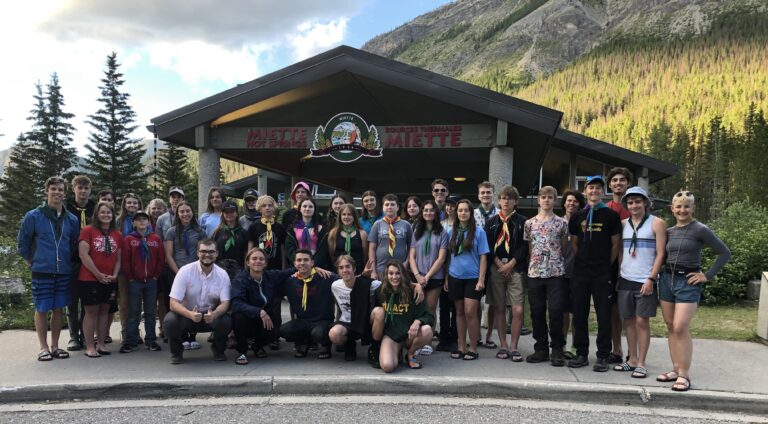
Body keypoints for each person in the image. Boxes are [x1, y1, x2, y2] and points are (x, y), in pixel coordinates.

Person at [656, 191, 730, 391]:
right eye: (678, 206)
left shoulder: (700, 229)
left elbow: (724, 252)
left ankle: (684, 374)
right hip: (667, 280)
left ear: (693, 208)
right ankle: (675, 369)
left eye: (687, 206)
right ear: (672, 209)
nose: (682, 210)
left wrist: (707, 275)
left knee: (680, 327)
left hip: (687, 282)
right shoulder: (669, 231)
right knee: (670, 326)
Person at [18, 176, 80, 361]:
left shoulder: (71, 219)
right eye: (53, 189)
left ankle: (55, 346)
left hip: (64, 270)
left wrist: (68, 261)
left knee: (59, 308)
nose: (57, 192)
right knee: (42, 308)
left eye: (60, 189)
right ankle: (43, 347)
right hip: (42, 270)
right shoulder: (33, 216)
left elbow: (74, 243)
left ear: (65, 193)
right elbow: (22, 243)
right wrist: (31, 261)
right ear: (46, 191)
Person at [567, 175, 621, 371]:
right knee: (579, 314)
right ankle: (581, 353)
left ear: (602, 191)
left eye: (598, 188)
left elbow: (615, 245)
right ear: (585, 191)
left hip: (602, 273)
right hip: (581, 272)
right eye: (591, 188)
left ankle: (603, 355)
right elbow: (574, 243)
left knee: (603, 315)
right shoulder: (577, 216)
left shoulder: (611, 215)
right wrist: (583, 260)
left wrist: (606, 265)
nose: (594, 191)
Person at [614, 186, 666, 378]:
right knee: (628, 321)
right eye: (630, 202)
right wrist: (620, 273)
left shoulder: (657, 223)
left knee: (641, 321)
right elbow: (620, 251)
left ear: (645, 202)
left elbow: (661, 253)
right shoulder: (623, 224)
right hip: (626, 278)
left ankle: (642, 363)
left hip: (645, 279)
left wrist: (651, 278)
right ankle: (632, 359)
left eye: (637, 201)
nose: (634, 205)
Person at [164, 239, 232, 364]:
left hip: (210, 315)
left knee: (226, 321)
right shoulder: (185, 271)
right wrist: (189, 314)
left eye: (211, 252)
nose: (207, 255)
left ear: (217, 253)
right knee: (170, 321)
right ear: (197, 253)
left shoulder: (222, 274)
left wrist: (215, 314)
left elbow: (225, 303)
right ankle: (176, 352)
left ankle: (218, 350)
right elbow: (173, 303)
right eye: (203, 251)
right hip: (187, 314)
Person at [524, 186, 569, 366]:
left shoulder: (562, 223)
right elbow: (530, 247)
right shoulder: (529, 223)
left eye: (550, 197)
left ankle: (557, 349)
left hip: (555, 272)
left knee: (556, 311)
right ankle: (541, 348)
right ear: (538, 200)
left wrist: (553, 260)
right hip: (535, 272)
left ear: (555, 201)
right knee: (537, 312)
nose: (546, 200)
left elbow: (563, 247)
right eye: (543, 197)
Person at [484, 186, 527, 361]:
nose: (506, 201)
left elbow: (525, 246)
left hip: (515, 267)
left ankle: (514, 346)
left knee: (517, 309)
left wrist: (510, 264)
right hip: (496, 267)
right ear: (499, 200)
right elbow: (487, 246)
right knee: (499, 307)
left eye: (510, 198)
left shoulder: (523, 222)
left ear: (515, 201)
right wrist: (499, 264)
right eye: (503, 198)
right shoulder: (492, 222)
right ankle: (503, 345)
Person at [230, 248, 294, 365]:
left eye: (261, 259)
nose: (258, 261)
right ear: (248, 262)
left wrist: (314, 269)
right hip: (247, 317)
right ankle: (242, 351)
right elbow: (236, 303)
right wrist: (258, 311)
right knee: (239, 317)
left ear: (265, 263)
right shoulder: (241, 279)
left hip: (264, 317)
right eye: (254, 259)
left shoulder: (270, 276)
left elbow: (290, 271)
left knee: (275, 331)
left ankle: (257, 346)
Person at [78, 202, 123, 357]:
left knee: (104, 311)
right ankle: (90, 346)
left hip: (110, 279)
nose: (106, 215)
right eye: (102, 212)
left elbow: (118, 258)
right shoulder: (88, 230)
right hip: (90, 278)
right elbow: (83, 254)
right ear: (97, 214)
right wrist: (97, 274)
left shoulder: (117, 234)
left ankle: (101, 344)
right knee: (91, 312)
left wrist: (115, 275)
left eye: (109, 212)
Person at [446, 199, 489, 361]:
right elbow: (447, 257)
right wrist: (446, 278)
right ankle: (461, 346)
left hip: (473, 278)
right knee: (459, 312)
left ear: (471, 213)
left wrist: (481, 279)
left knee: (470, 312)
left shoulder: (479, 232)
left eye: (466, 210)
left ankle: (473, 348)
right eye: (460, 210)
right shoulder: (450, 231)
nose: (463, 213)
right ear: (456, 213)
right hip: (455, 276)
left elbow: (483, 256)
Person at [372, 261, 434, 372]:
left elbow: (429, 316)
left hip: (409, 335)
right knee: (388, 366)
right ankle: (394, 351)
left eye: (398, 273)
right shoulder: (380, 292)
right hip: (391, 336)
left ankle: (410, 354)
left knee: (427, 330)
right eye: (391, 273)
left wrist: (417, 322)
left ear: (403, 275)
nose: (394, 277)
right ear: (386, 275)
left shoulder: (413, 291)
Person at [278, 249, 336, 359]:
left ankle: (325, 345)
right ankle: (304, 342)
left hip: (322, 321)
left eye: (306, 260)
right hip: (303, 321)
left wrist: (363, 275)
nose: (302, 263)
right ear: (295, 264)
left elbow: (346, 279)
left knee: (318, 333)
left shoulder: (325, 276)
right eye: (299, 260)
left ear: (312, 263)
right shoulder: (290, 281)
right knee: (284, 330)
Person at [163, 201, 206, 350]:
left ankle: (192, 335)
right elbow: (168, 255)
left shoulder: (199, 231)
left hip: (196, 273)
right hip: (177, 272)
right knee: (179, 303)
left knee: (194, 302)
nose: (185, 214)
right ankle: (182, 336)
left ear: (192, 213)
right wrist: (179, 273)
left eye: (188, 211)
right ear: (177, 214)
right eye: (182, 211)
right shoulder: (172, 231)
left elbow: (203, 252)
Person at [120, 211, 164, 353]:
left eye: (144, 219)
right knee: (134, 311)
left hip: (151, 281)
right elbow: (125, 261)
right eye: (138, 219)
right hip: (135, 281)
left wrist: (156, 276)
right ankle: (130, 341)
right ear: (133, 223)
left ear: (149, 222)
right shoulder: (129, 239)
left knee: (150, 312)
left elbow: (160, 259)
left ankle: (151, 340)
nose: (141, 222)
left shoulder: (155, 239)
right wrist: (130, 277)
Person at [409, 199, 448, 355]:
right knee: (417, 307)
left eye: (431, 210)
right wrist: (417, 275)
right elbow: (411, 256)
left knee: (430, 308)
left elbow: (441, 258)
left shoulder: (442, 233)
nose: (428, 213)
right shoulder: (416, 231)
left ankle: (428, 342)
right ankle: (415, 341)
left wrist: (427, 276)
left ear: (436, 213)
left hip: (435, 277)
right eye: (425, 210)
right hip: (417, 276)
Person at [329, 255, 381, 361]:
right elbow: (338, 306)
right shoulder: (335, 286)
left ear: (354, 268)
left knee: (379, 312)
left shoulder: (369, 284)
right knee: (334, 334)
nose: (344, 270)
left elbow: (390, 284)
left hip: (364, 320)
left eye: (347, 266)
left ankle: (375, 347)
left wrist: (414, 285)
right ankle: (349, 343)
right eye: (341, 267)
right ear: (338, 271)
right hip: (346, 322)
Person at [606, 167, 633, 364]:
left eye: (622, 180)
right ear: (610, 185)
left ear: (628, 184)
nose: (618, 183)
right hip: (610, 264)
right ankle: (616, 349)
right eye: (614, 180)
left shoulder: (635, 208)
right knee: (612, 310)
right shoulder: (605, 208)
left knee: (631, 313)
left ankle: (634, 352)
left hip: (632, 265)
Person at [65, 175, 95, 351]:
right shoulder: (66, 207)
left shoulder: (94, 208)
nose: (83, 191)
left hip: (90, 260)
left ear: (90, 190)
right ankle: (73, 336)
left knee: (87, 301)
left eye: (86, 188)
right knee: (72, 300)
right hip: (71, 260)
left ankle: (85, 335)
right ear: (73, 189)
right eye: (80, 188)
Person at [155, 186, 185, 341]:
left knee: (184, 299)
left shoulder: (187, 215)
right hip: (167, 265)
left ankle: (184, 330)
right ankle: (168, 330)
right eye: (173, 197)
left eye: (178, 197)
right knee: (168, 300)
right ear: (169, 199)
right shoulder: (162, 219)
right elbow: (158, 241)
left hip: (185, 264)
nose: (176, 199)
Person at [115, 193, 144, 342]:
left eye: (135, 203)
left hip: (139, 266)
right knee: (125, 301)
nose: (132, 205)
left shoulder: (143, 220)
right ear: (124, 205)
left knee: (137, 302)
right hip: (122, 267)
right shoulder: (118, 221)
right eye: (129, 203)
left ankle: (135, 330)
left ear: (139, 205)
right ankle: (125, 330)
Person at [561, 189, 585, 359]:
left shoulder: (585, 223)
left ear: (580, 204)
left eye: (575, 201)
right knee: (562, 312)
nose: (572, 203)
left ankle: (575, 346)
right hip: (561, 273)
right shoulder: (557, 222)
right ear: (564, 203)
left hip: (579, 273)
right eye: (569, 200)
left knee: (578, 312)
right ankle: (560, 345)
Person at [367, 193, 413, 280]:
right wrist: (373, 271)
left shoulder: (406, 225)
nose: (389, 207)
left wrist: (407, 262)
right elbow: (372, 249)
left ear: (397, 207)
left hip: (400, 268)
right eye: (387, 204)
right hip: (381, 269)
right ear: (383, 208)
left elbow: (412, 247)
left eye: (392, 204)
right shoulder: (377, 224)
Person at [285, 198, 329, 268]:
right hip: (298, 266)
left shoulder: (321, 229)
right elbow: (289, 249)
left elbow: (323, 250)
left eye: (310, 207)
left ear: (314, 210)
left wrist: (312, 264)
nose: (307, 209)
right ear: (300, 209)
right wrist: (299, 262)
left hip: (316, 267)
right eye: (304, 206)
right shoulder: (292, 229)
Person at [212, 200, 249, 280]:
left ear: (237, 213)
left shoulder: (244, 233)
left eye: (232, 212)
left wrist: (246, 271)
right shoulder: (217, 232)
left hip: (239, 271)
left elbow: (246, 253)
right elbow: (213, 251)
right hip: (220, 270)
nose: (229, 214)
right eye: (226, 212)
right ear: (223, 214)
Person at [327, 203, 368, 269]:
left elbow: (365, 255)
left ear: (354, 216)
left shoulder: (362, 234)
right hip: (339, 270)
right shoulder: (333, 233)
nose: (346, 217)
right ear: (340, 217)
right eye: (344, 214)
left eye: (349, 214)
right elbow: (331, 254)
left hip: (358, 270)